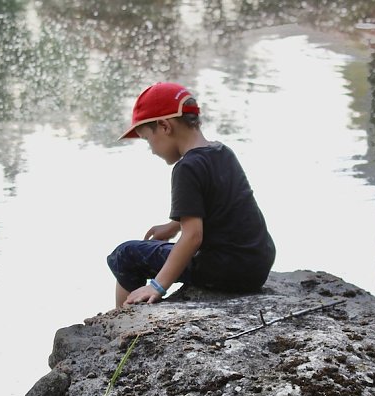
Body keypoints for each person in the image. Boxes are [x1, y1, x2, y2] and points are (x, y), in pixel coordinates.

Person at [108, 81, 275, 308]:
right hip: (256, 265)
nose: (152, 150)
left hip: (225, 269)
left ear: (164, 126)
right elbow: (217, 206)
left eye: (148, 140)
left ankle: (123, 319)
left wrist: (157, 285)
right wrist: (173, 226)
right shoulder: (222, 152)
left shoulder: (187, 167)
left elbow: (193, 236)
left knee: (126, 254)